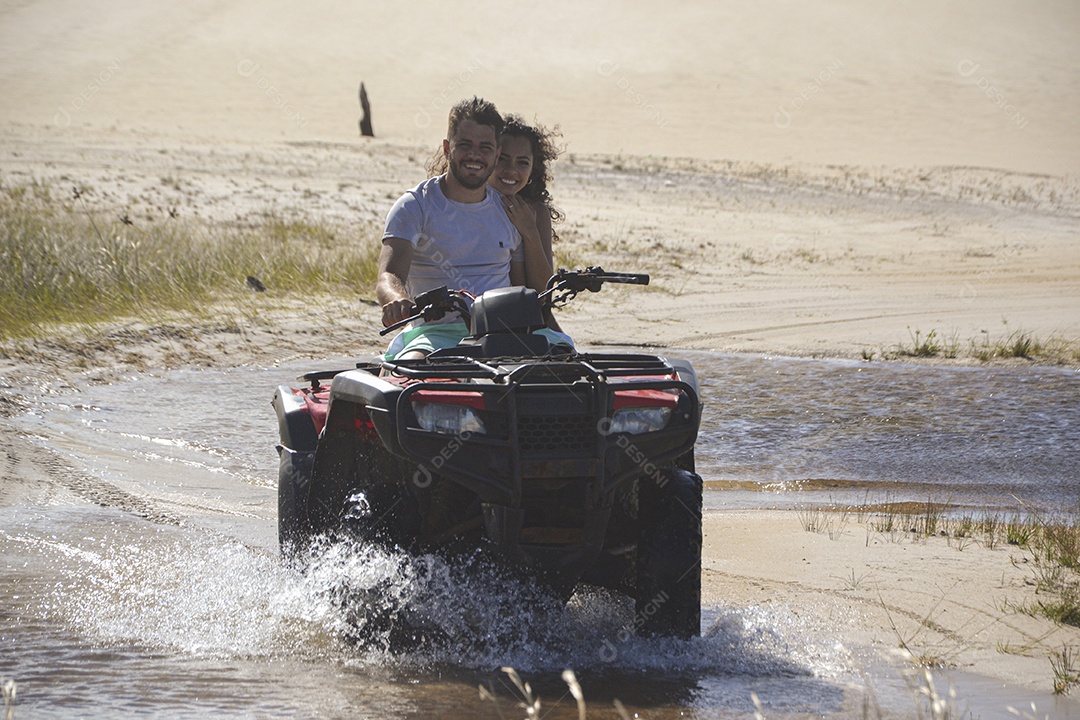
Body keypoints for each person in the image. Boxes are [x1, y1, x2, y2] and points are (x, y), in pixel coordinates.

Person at [376, 97, 569, 360]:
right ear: (447, 148)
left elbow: (533, 294)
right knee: (418, 371)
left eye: (485, 147)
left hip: (503, 332)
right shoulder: (414, 205)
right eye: (465, 146)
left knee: (568, 365)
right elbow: (388, 275)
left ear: (495, 153)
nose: (475, 155)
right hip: (436, 333)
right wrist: (396, 299)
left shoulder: (510, 210)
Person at [427, 113, 566, 331]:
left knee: (568, 355)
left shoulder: (535, 212)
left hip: (529, 317)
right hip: (477, 320)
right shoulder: (461, 205)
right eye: (503, 159)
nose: (511, 170)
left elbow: (543, 294)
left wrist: (529, 233)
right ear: (491, 156)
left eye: (522, 163)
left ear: (533, 170)